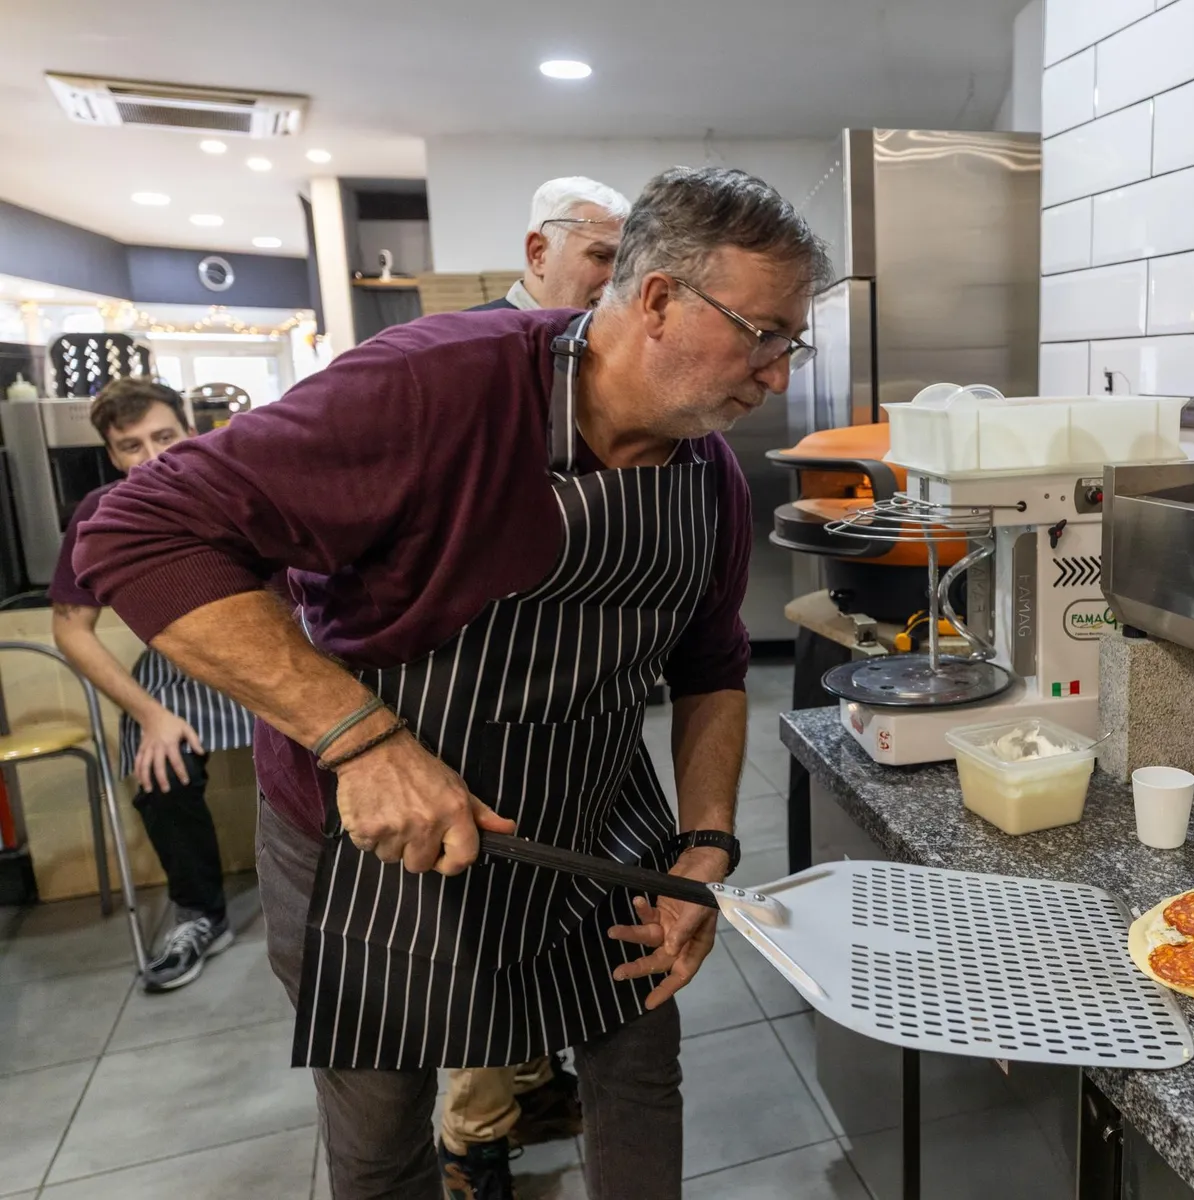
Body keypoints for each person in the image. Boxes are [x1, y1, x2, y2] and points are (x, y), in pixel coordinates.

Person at [75, 166, 829, 1200]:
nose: (777, 372)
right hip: (376, 856)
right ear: (659, 301)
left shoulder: (711, 475)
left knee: (640, 1076)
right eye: (764, 333)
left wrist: (703, 842)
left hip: (594, 833)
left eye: (793, 340)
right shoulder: (436, 386)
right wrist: (362, 739)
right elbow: (137, 531)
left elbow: (711, 666)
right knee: (385, 1136)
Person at [437, 173, 632, 1195]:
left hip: (564, 711)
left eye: (624, 264)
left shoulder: (597, 370)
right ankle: (476, 1138)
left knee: (536, 914)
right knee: (477, 932)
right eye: (599, 256)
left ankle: (529, 1076)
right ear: (536, 248)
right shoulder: (463, 363)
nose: (611, 282)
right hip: (466, 706)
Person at [48, 379, 256, 992]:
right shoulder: (101, 512)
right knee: (162, 772)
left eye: (164, 437)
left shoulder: (238, 488)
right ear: (112, 456)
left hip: (268, 661)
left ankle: (345, 904)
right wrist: (151, 716)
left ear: (189, 432)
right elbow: (72, 631)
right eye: (130, 445)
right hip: (177, 674)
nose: (152, 457)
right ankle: (200, 917)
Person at [471, 175, 631, 312]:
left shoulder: (611, 344)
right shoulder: (469, 341)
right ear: (538, 254)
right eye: (601, 257)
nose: (616, 278)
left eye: (624, 263)